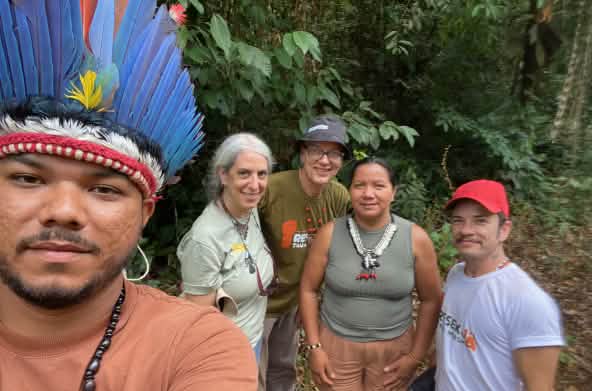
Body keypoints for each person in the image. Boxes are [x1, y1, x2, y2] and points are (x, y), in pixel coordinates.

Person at [0, 1, 256, 390]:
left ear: (145, 213)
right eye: (28, 179)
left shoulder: (196, 348)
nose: (64, 211)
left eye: (104, 189)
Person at [299, 157, 442, 391]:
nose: (368, 194)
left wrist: (415, 356)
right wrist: (314, 347)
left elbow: (431, 299)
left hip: (394, 351)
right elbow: (308, 289)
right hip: (337, 346)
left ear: (393, 192)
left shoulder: (415, 238)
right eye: (359, 185)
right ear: (349, 191)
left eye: (378, 186)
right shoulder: (330, 234)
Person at [435, 179, 565, 391]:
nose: (466, 230)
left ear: (504, 230)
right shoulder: (456, 275)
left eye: (480, 220)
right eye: (458, 220)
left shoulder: (527, 301)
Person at [258, 115, 351, 390]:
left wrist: (314, 298)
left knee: (283, 371)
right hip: (257, 301)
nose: (325, 160)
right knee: (252, 375)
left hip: (295, 301)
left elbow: (341, 252)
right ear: (302, 153)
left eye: (334, 153)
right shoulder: (271, 188)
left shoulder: (338, 196)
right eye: (316, 151)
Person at [177, 133, 276, 362]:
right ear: (223, 175)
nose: (255, 185)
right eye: (244, 173)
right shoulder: (205, 238)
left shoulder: (248, 211)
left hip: (252, 340)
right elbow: (198, 316)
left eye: (262, 174)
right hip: (223, 355)